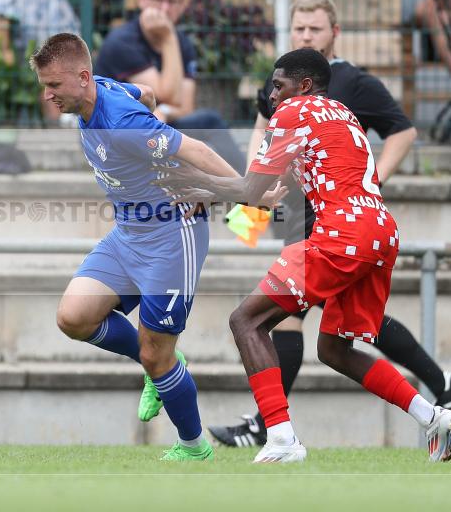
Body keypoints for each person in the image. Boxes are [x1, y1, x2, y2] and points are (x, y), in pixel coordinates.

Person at [157, 48, 451, 463]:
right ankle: (432, 417)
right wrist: (233, 200)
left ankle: (280, 437)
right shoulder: (340, 112)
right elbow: (267, 192)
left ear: (303, 85)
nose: (272, 97)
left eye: (278, 87)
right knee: (334, 350)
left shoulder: (293, 111)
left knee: (246, 320)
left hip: (341, 233)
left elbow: (251, 191)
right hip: (381, 232)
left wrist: (198, 185)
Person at [29, 33, 281, 461]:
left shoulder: (121, 122)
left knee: (154, 354)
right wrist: (144, 102)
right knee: (73, 317)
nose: (47, 94)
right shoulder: (102, 89)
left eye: (53, 85)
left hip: (171, 236)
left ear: (82, 77)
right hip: (129, 232)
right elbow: (144, 92)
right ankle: (161, 361)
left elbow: (196, 147)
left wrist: (247, 193)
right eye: (44, 84)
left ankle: (193, 446)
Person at [94, 0, 246, 173]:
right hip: (115, 133)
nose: (164, 8)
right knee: (207, 127)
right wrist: (168, 39)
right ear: (142, 0)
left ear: (182, 6)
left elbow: (184, 106)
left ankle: (251, 189)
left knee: (208, 122)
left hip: (157, 127)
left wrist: (164, 110)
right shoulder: (123, 42)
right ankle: (251, 191)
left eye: (172, 1)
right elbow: (164, 94)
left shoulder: (182, 43)